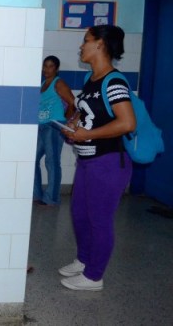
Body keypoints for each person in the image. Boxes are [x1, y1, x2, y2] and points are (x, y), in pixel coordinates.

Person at [59, 25, 136, 292]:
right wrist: (73, 129)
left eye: (86, 41)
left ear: (100, 44)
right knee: (79, 213)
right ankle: (84, 260)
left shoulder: (113, 81)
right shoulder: (92, 80)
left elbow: (127, 122)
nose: (81, 46)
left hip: (109, 162)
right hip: (87, 161)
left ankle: (94, 276)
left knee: (99, 219)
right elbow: (85, 113)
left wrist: (88, 134)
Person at [33, 56, 75, 206]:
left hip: (53, 126)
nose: (46, 69)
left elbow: (72, 102)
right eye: (45, 66)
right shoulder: (44, 83)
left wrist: (65, 119)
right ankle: (37, 195)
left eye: (50, 66)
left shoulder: (58, 83)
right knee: (33, 160)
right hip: (42, 126)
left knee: (52, 161)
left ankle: (52, 198)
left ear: (56, 69)